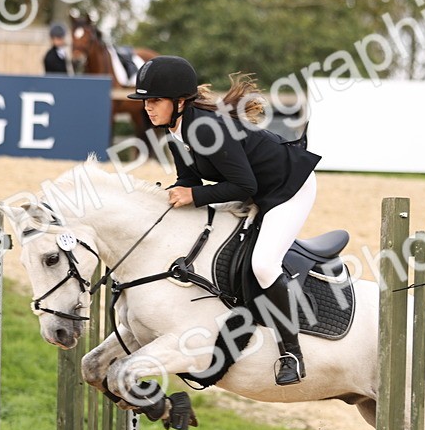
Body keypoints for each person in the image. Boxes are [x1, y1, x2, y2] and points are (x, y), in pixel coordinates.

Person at [127, 55, 321, 386]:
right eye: (145, 101)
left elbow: (244, 186)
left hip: (289, 188)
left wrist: (192, 195)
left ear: (179, 102)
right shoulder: (175, 131)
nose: (148, 107)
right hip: (257, 189)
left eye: (155, 100)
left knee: (263, 265)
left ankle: (292, 354)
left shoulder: (207, 129)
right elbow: (189, 181)